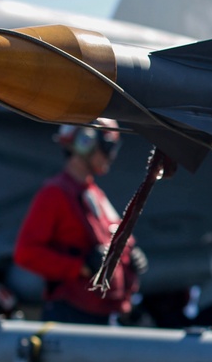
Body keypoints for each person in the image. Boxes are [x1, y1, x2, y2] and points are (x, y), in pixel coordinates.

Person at [13, 119, 147, 324]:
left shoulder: (93, 193)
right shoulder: (55, 193)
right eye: (108, 146)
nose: (111, 156)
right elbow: (26, 253)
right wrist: (80, 266)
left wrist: (130, 256)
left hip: (102, 312)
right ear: (85, 142)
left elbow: (110, 236)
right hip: (74, 314)